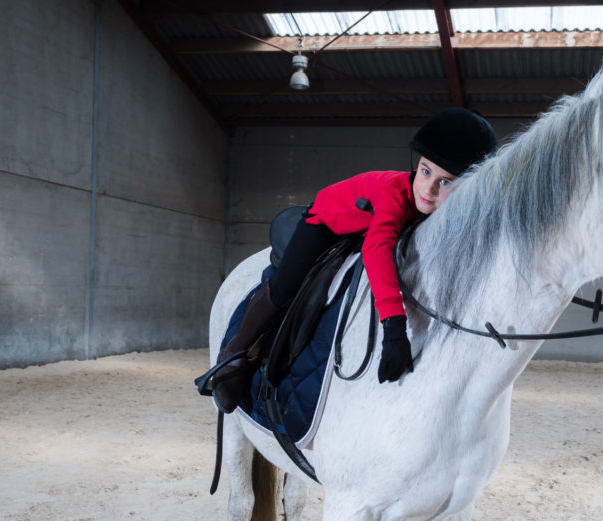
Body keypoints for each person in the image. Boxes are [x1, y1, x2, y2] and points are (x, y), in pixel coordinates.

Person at [212, 107, 497, 413]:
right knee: (285, 286)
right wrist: (394, 328)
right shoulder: (394, 195)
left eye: (446, 182)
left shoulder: (446, 208)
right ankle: (233, 358)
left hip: (364, 224)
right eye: (425, 171)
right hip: (325, 223)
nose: (427, 190)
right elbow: (377, 250)